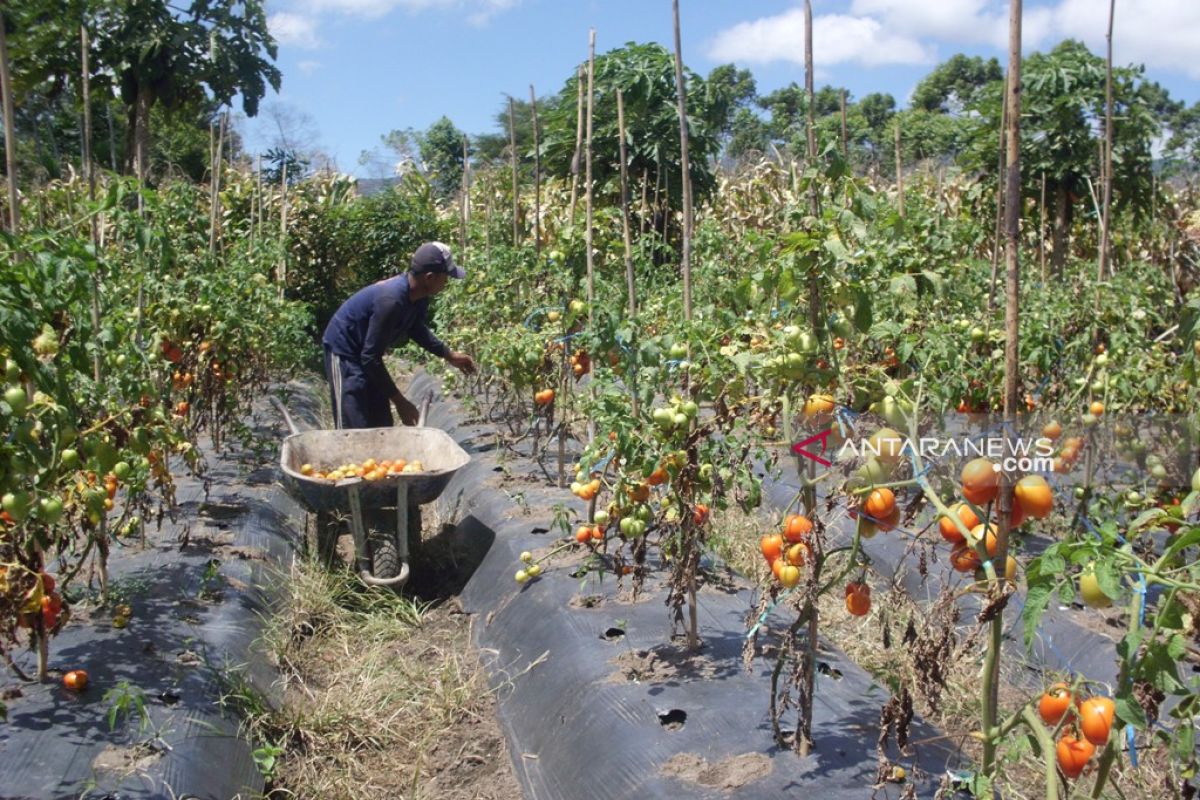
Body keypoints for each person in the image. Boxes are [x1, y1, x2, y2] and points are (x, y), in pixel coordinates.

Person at [322, 241, 476, 428]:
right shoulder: (391, 300)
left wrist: (448, 354)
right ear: (429, 277)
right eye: (445, 277)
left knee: (381, 422)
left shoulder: (418, 297)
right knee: (353, 423)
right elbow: (370, 357)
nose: (446, 283)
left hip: (367, 351)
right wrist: (400, 402)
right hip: (345, 350)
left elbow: (415, 328)